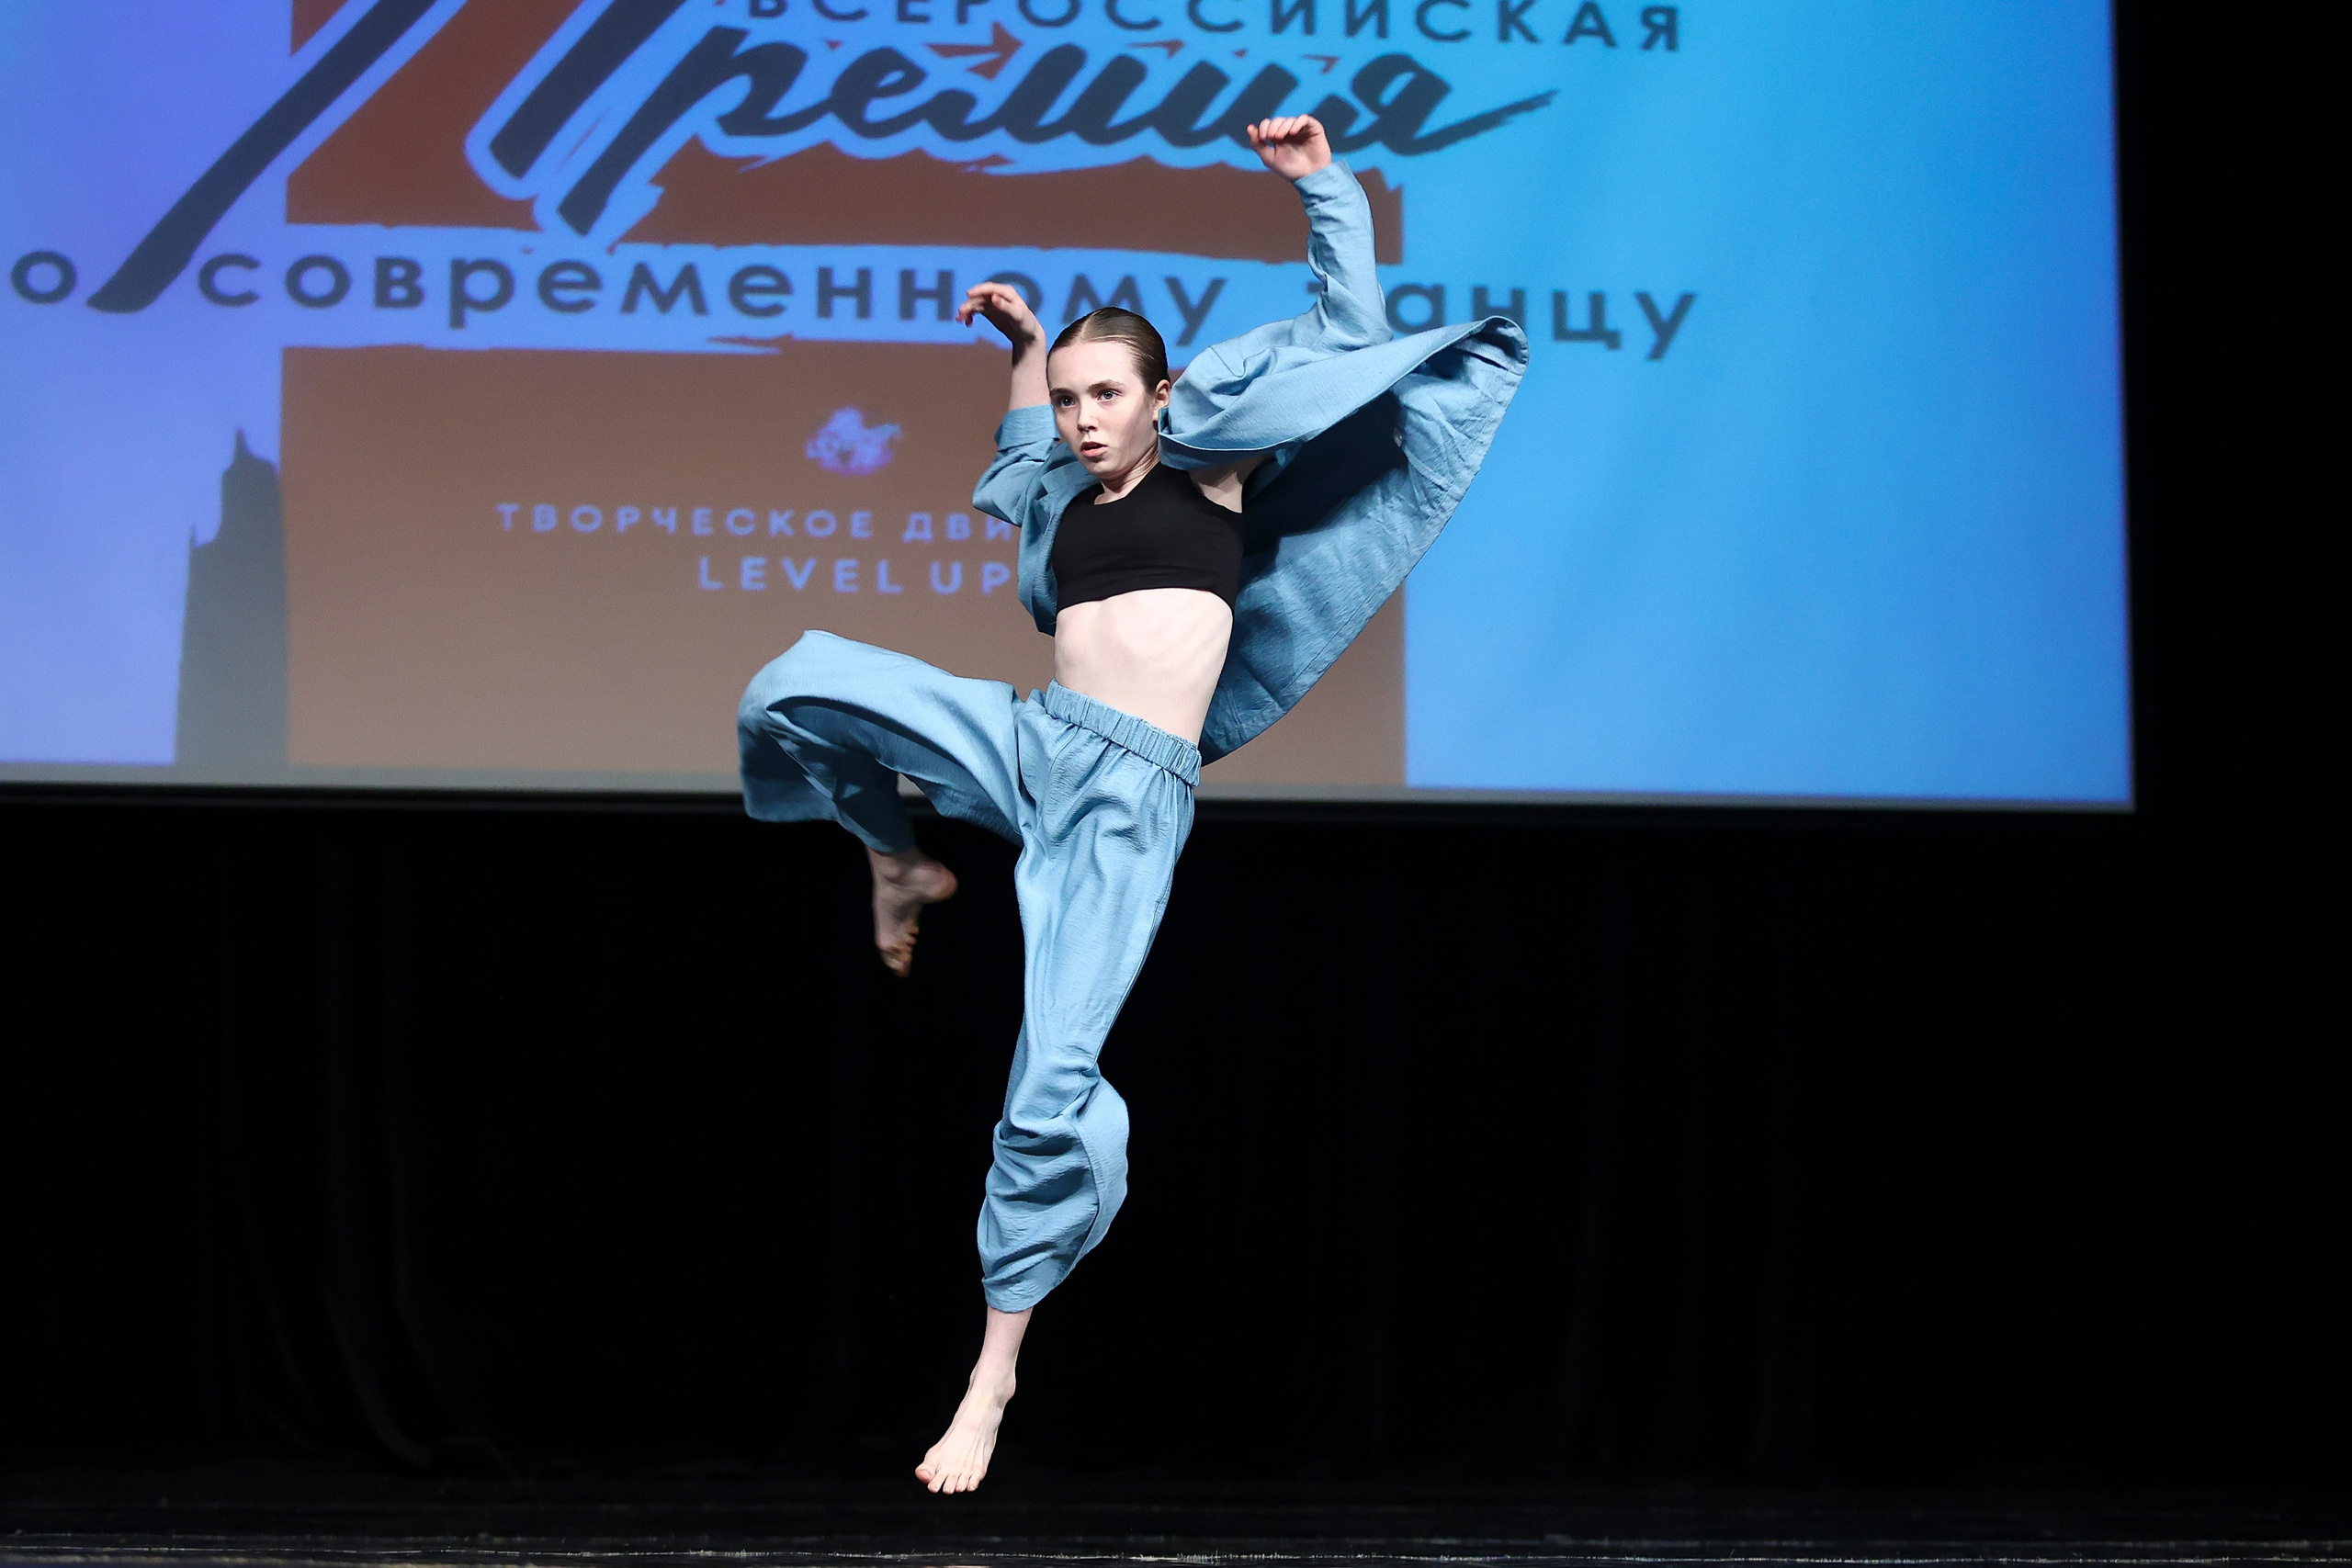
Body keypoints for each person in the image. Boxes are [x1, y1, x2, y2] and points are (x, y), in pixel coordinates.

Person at [735, 115, 1526, 1494]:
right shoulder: (1064, 493)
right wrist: (1026, 341)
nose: (1086, 420)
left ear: (1162, 397)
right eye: (1071, 402)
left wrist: (1321, 188)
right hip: (1032, 742)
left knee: (1044, 1094)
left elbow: (1344, 329)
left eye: (1108, 397)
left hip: (1124, 801)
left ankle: (990, 1381)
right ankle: (893, 861)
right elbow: (1024, 447)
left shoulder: (1216, 466)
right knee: (792, 685)